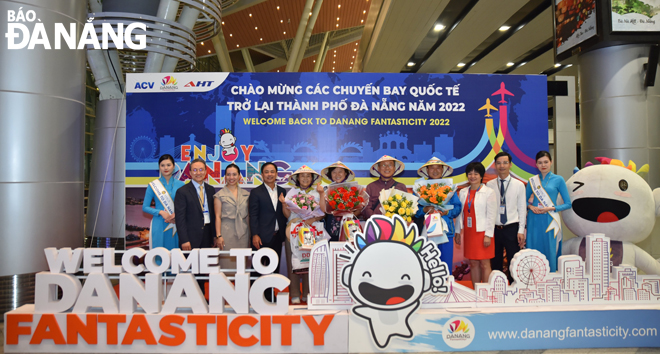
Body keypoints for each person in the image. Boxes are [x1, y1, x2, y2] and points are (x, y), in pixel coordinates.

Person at [281, 165, 324, 304]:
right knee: (293, 260)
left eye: (308, 176)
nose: (305, 178)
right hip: (293, 228)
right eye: (302, 176)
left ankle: (308, 292)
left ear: (312, 178)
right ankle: (294, 293)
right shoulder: (291, 192)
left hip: (310, 229)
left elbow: (323, 212)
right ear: (297, 178)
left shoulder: (317, 193)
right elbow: (287, 214)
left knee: (309, 260)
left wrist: (313, 219)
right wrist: (283, 204)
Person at [526, 151, 572, 272]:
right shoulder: (532, 181)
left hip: (550, 219)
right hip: (534, 219)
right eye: (540, 163)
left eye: (546, 162)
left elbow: (568, 204)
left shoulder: (559, 179)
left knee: (550, 248)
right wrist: (530, 207)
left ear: (551, 162)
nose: (543, 165)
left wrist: (551, 208)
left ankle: (550, 278)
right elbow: (523, 202)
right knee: (534, 248)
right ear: (536, 164)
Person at [486, 152, 527, 284]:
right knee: (495, 259)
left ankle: (515, 286)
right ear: (495, 165)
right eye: (498, 163)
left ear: (510, 164)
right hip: (495, 228)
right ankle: (497, 286)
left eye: (505, 163)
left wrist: (521, 230)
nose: (502, 166)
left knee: (513, 259)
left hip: (512, 228)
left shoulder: (519, 185)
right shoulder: (489, 185)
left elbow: (522, 208)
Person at [249, 162, 287, 301]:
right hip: (261, 237)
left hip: (277, 236)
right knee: (259, 267)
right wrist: (255, 234)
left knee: (274, 269)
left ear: (276, 174)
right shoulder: (256, 192)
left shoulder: (283, 191)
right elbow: (253, 215)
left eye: (272, 172)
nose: (269, 174)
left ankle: (270, 296)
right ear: (262, 174)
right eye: (266, 172)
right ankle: (256, 297)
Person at [413, 157, 461, 269]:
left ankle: (447, 286)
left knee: (445, 265)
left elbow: (457, 208)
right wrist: (424, 210)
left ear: (443, 170)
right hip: (427, 232)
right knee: (427, 266)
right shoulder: (420, 188)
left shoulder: (449, 187)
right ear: (427, 170)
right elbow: (414, 211)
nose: (435, 170)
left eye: (438, 168)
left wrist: (446, 212)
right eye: (432, 168)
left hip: (447, 232)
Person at [455, 161, 497, 288]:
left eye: (476, 174)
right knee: (473, 263)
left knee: (485, 264)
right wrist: (458, 232)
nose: (472, 176)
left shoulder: (489, 192)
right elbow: (459, 214)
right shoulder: (463, 192)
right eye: (470, 173)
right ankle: (476, 291)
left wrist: (488, 235)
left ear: (481, 176)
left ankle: (487, 291)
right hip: (469, 232)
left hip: (483, 232)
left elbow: (491, 215)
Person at [142, 154, 184, 250]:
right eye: (162, 165)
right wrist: (160, 212)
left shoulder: (181, 185)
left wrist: (176, 214)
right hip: (159, 222)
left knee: (175, 253)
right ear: (159, 167)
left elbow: (185, 205)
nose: (166, 168)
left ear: (173, 167)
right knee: (159, 252)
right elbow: (145, 207)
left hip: (176, 222)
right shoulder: (152, 185)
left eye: (168, 165)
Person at [213, 163, 250, 272]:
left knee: (241, 267)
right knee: (226, 266)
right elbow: (217, 216)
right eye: (228, 175)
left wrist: (250, 236)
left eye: (234, 174)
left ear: (239, 176)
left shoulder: (246, 194)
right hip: (226, 233)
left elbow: (248, 217)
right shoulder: (219, 195)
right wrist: (219, 235)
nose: (231, 177)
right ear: (225, 177)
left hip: (243, 234)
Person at [174, 158, 217, 251]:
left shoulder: (211, 190)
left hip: (207, 236)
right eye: (195, 170)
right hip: (190, 238)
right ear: (190, 172)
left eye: (201, 170)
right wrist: (184, 240)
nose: (198, 173)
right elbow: (180, 218)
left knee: (206, 265)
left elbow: (213, 215)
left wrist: (214, 236)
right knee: (190, 265)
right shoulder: (182, 192)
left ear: (205, 171)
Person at [316, 161, 357, 241]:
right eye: (334, 172)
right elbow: (324, 210)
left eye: (340, 172)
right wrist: (321, 193)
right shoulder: (326, 189)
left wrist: (349, 215)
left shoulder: (352, 189)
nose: (337, 175)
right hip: (332, 226)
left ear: (345, 173)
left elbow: (358, 209)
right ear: (330, 174)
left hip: (349, 225)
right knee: (332, 250)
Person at [363, 155, 407, 219]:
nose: (387, 168)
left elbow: (406, 208)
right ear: (378, 168)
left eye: (390, 165)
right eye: (383, 165)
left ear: (394, 168)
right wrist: (375, 218)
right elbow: (366, 208)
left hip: (395, 224)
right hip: (375, 223)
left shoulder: (401, 187)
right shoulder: (371, 187)